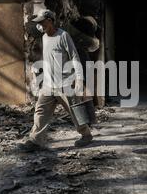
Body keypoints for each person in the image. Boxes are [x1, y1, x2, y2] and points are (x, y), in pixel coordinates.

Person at [17, 9, 93, 152]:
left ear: (50, 21)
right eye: (38, 23)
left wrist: (79, 79)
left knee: (74, 111)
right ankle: (35, 140)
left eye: (42, 22)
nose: (40, 26)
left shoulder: (63, 36)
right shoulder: (44, 37)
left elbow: (75, 58)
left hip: (65, 83)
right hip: (48, 84)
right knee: (40, 111)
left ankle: (86, 135)